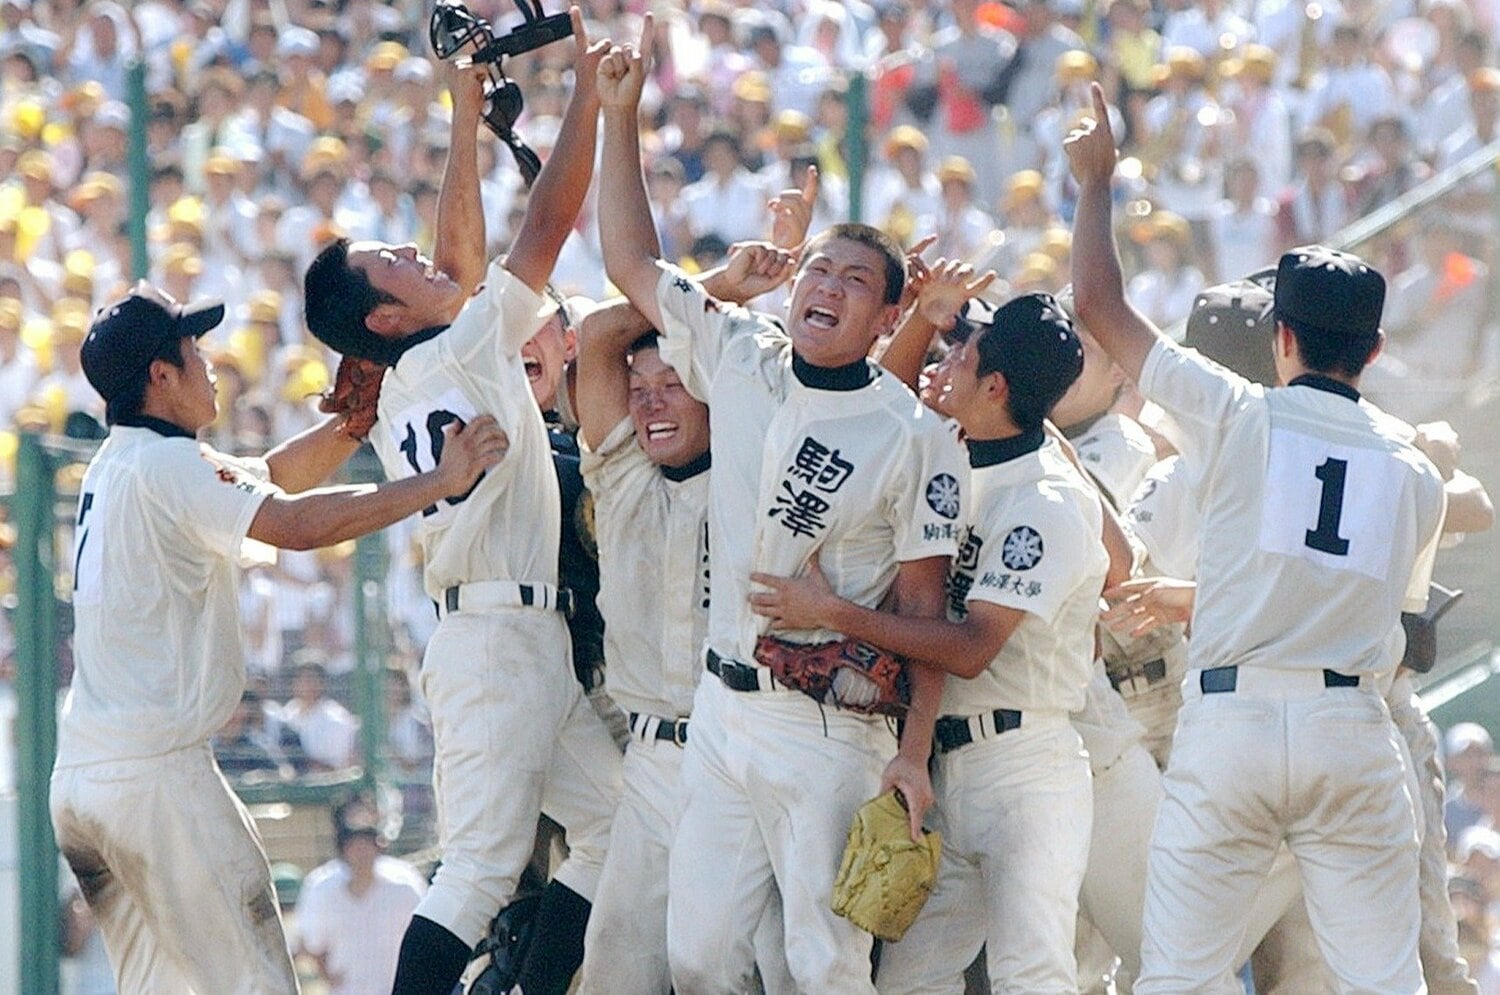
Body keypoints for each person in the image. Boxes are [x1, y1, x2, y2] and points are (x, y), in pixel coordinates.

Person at [597, 24, 965, 993]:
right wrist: (620, 116)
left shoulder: (913, 432)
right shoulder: (740, 354)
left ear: (889, 317)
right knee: (698, 957)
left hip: (829, 722)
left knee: (824, 966)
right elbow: (631, 261)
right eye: (819, 271)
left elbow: (927, 613)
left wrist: (912, 754)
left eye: (855, 280)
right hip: (722, 708)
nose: (827, 287)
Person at [1068, 81, 1447, 994]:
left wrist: (1096, 183)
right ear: (1375, 350)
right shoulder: (1415, 469)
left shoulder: (1239, 413)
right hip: (1350, 725)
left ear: (1280, 337)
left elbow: (1099, 304)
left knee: (1178, 976)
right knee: (1384, 980)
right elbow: (1375, 608)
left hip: (1230, 722)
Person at [48, 282, 504, 994]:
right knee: (255, 981)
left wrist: (351, 425)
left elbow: (268, 481)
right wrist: (438, 481)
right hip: (156, 777)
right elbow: (293, 523)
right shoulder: (168, 465)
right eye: (192, 350)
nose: (209, 364)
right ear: (161, 376)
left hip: (88, 778)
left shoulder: (120, 464)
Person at [300, 15, 622, 995]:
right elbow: (542, 225)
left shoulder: (431, 357)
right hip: (490, 638)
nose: (416, 254)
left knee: (616, 825)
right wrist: (577, 92)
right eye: (392, 262)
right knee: (477, 870)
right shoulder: (454, 347)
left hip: (520, 635)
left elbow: (467, 254)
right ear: (385, 315)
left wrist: (472, 107)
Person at [752, 290, 1109, 994]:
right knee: (913, 980)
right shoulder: (950, 453)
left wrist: (833, 612)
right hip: (942, 761)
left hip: (1023, 767)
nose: (947, 361)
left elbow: (972, 648)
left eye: (963, 353)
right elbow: (880, 400)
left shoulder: (1046, 500)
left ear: (995, 387)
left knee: (1031, 973)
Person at [295, 804, 427, 995]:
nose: (361, 852)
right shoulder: (322, 888)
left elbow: (423, 937)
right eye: (354, 845)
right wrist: (327, 976)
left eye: (367, 843)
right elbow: (311, 942)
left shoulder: (404, 884)